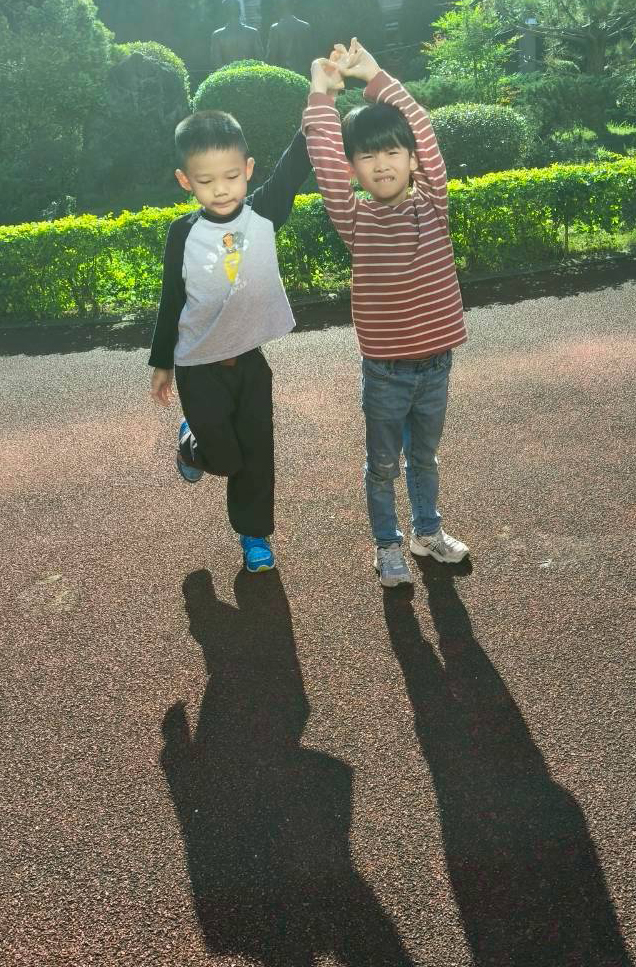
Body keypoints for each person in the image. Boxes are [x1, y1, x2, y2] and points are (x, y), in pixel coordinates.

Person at [302, 40, 469, 588]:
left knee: (425, 458)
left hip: (436, 366)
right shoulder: (355, 219)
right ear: (353, 168)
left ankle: (427, 531)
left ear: (414, 160)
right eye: (367, 157)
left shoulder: (434, 205)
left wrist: (375, 77)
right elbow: (325, 162)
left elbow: (422, 124)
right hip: (385, 372)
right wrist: (321, 96)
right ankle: (388, 544)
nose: (382, 164)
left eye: (393, 152)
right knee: (381, 466)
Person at [149, 109, 311, 573]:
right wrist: (162, 362)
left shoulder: (262, 215)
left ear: (248, 169)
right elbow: (172, 298)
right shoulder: (183, 233)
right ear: (185, 180)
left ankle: (253, 535)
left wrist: (319, 102)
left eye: (231, 176)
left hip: (249, 363)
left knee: (257, 455)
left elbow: (293, 168)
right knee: (224, 459)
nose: (220, 189)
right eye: (206, 181)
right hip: (198, 366)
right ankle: (191, 443)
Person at [211, 0, 264, 69]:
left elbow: (217, 63)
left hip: (227, 75)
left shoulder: (217, 35)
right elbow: (260, 60)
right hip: (250, 74)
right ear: (240, 11)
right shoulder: (253, 33)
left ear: (224, 13)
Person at [267, 0, 313, 77]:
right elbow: (310, 53)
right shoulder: (305, 26)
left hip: (284, 75)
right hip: (304, 74)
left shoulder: (275, 29)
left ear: (278, 8)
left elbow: (271, 56)